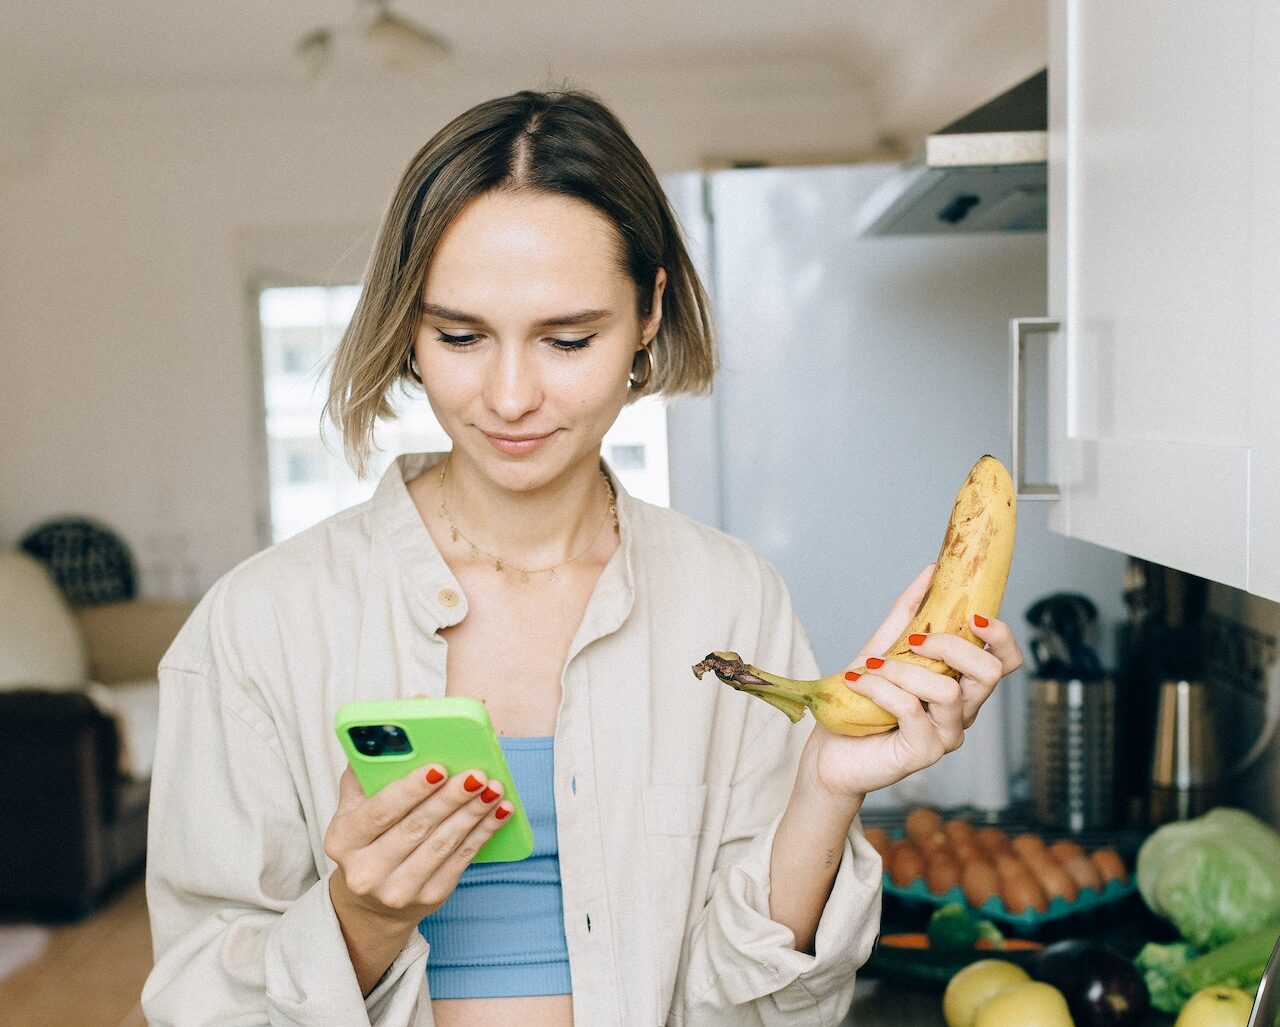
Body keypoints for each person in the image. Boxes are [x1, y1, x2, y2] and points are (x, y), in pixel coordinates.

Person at [141, 89, 1023, 1027]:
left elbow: (765, 1011)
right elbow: (197, 1000)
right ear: (406, 324)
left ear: (648, 312)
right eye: (459, 335)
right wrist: (359, 919)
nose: (510, 394)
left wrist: (823, 787)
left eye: (568, 339)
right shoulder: (258, 626)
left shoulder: (730, 599)